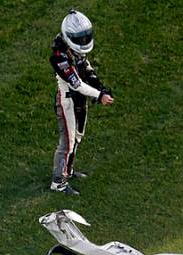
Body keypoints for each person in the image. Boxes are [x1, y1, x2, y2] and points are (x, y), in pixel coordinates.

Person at [49, 9, 114, 195]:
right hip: (67, 101)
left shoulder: (72, 50)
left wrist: (100, 86)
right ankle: (58, 182)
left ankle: (67, 171)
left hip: (79, 99)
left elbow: (85, 66)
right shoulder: (59, 57)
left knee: (77, 136)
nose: (84, 42)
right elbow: (76, 84)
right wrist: (99, 95)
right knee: (67, 142)